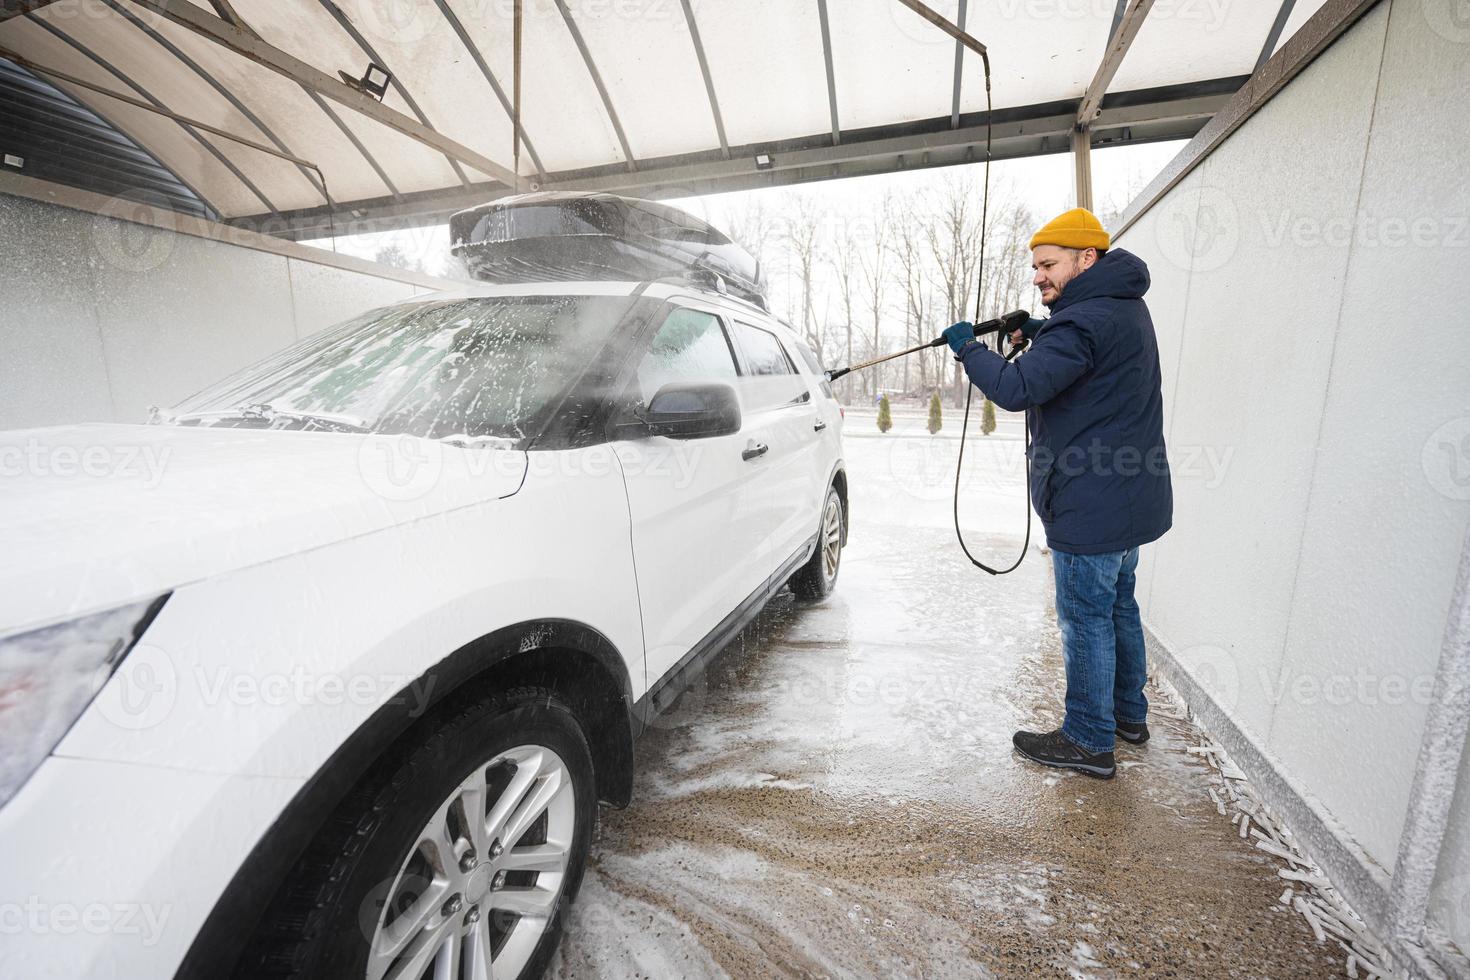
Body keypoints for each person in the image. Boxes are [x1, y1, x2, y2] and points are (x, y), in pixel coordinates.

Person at [942, 207, 1172, 780]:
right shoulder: (1120, 307)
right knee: (1118, 605)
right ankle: (1127, 716)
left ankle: (1088, 740)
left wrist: (970, 348)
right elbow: (1088, 362)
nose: (1039, 276)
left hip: (1090, 502)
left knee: (1085, 618)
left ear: (1085, 258)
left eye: (1048, 265)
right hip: (1127, 497)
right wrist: (1041, 332)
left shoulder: (1080, 323)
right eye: (1036, 267)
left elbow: (1017, 387)